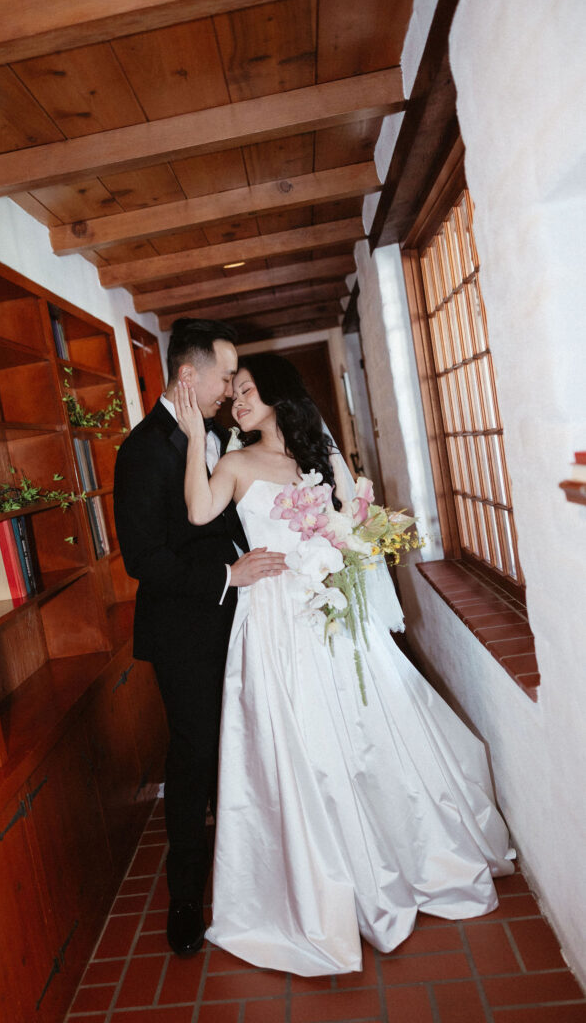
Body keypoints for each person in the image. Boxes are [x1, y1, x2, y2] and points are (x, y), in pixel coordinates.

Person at [174, 352, 515, 977]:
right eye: (236, 393)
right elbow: (198, 512)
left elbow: (352, 530)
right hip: (272, 620)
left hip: (329, 614)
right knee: (297, 742)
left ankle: (399, 852)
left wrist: (340, 558)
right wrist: (198, 437)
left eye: (248, 392)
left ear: (279, 398)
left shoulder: (317, 460)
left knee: (363, 733)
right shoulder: (233, 461)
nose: (239, 402)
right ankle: (323, 880)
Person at [113, 320, 287, 958]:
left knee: (252, 738)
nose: (230, 390)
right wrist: (226, 575)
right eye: (224, 376)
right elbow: (143, 559)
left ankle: (265, 866)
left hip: (248, 618)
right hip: (184, 630)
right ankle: (185, 894)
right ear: (189, 376)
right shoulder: (140, 451)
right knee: (194, 756)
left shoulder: (219, 435)